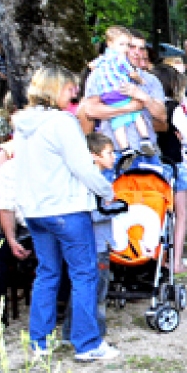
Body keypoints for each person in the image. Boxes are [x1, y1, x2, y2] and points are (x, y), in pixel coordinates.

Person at [11, 66, 118, 363]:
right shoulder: (62, 122)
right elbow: (83, 166)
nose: (74, 93)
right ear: (56, 88)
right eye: (70, 88)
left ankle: (39, 341)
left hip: (36, 211)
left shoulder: (23, 124)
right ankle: (87, 343)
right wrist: (106, 191)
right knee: (84, 274)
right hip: (67, 209)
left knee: (47, 273)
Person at [80, 28, 168, 169]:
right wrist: (130, 107)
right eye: (131, 46)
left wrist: (143, 97)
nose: (136, 52)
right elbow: (90, 110)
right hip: (114, 154)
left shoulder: (150, 80)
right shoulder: (99, 75)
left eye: (141, 48)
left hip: (147, 152)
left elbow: (162, 117)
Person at [63, 133, 119, 343]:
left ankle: (71, 331)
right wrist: (119, 207)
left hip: (93, 243)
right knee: (97, 291)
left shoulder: (96, 179)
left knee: (85, 289)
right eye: (109, 153)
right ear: (94, 156)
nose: (114, 157)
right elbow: (95, 212)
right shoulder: (94, 182)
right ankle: (94, 333)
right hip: (95, 245)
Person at [153, 64, 187, 274]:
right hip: (174, 165)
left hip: (154, 166)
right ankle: (176, 261)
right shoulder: (173, 107)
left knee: (159, 214)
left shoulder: (149, 108)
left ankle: (159, 258)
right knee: (181, 214)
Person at [89, 26, 156, 158]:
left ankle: (125, 149)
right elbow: (90, 110)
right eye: (126, 45)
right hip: (120, 92)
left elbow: (92, 65)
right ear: (110, 44)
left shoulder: (103, 60)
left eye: (127, 45)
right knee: (137, 114)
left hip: (108, 96)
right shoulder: (120, 59)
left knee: (117, 123)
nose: (127, 49)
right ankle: (145, 138)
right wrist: (139, 80)